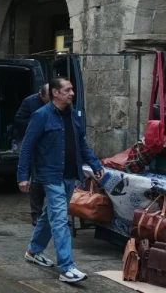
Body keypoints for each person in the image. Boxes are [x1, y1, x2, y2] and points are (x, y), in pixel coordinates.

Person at [17, 77, 104, 284]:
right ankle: (66, 268)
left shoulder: (72, 115)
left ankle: (33, 250)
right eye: (68, 90)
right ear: (55, 93)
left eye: (72, 89)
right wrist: (22, 176)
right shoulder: (41, 116)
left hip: (69, 174)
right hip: (50, 175)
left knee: (50, 215)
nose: (72, 93)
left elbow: (81, 144)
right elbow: (27, 147)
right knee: (60, 220)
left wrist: (95, 164)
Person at [14, 84, 51, 225]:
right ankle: (36, 213)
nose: (49, 102)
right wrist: (36, 123)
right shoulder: (30, 102)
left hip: (50, 145)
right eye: (47, 99)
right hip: (36, 142)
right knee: (36, 183)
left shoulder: (59, 104)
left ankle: (56, 215)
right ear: (40, 95)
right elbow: (18, 120)